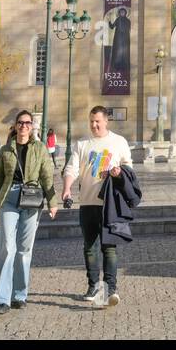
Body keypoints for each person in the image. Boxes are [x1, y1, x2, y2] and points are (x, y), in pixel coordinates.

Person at [0, 110, 59, 315]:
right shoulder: (6, 151)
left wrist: (53, 202)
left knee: (24, 250)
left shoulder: (40, 149)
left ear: (32, 126)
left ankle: (19, 295)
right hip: (9, 198)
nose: (24, 126)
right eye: (20, 123)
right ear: (15, 126)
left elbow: (47, 177)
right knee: (7, 247)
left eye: (27, 123)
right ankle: (2, 299)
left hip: (31, 200)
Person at [62, 105, 133, 308]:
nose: (94, 125)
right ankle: (93, 285)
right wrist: (67, 188)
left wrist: (118, 172)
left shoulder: (119, 142)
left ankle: (111, 288)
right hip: (87, 202)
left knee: (109, 248)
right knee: (90, 248)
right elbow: (71, 168)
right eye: (91, 121)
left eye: (97, 121)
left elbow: (129, 168)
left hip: (110, 204)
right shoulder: (83, 143)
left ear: (106, 121)